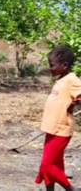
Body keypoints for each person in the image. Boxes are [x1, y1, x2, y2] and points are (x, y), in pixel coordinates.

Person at [35, 46, 81, 191]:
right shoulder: (61, 78)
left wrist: (76, 102)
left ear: (64, 65)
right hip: (51, 128)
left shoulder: (71, 79)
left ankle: (69, 188)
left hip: (61, 129)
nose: (50, 68)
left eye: (52, 65)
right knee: (54, 163)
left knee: (46, 165)